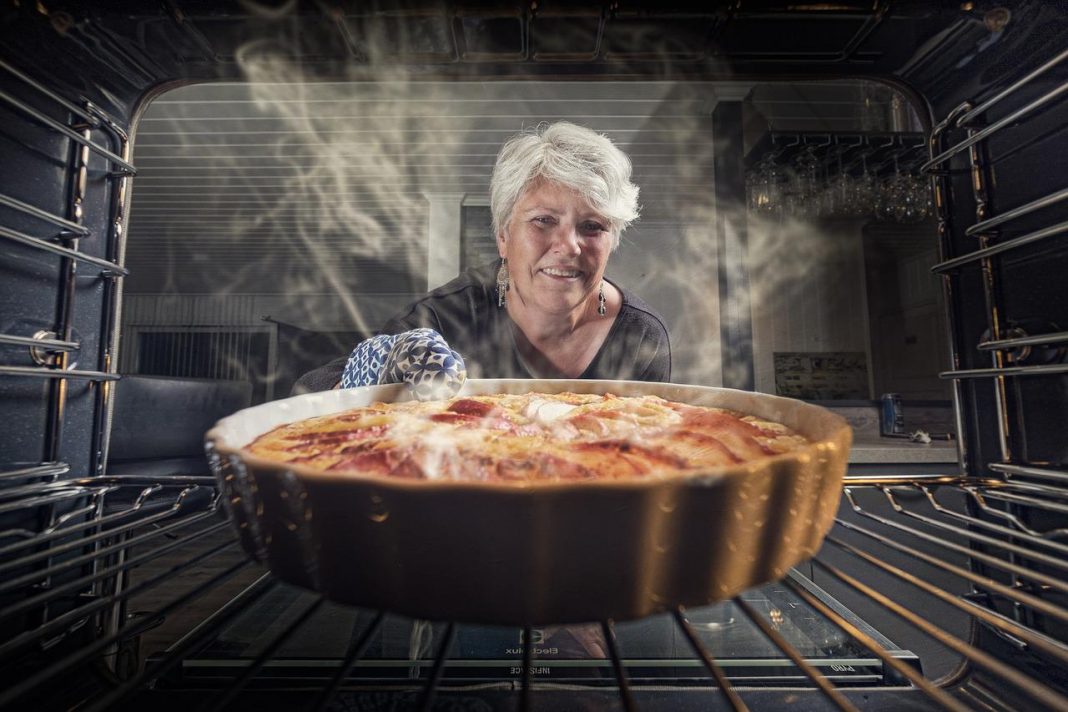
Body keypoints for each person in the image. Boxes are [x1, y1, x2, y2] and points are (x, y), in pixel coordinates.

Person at [295, 121, 671, 394]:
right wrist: (372, 374)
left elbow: (651, 463)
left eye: (592, 226)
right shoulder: (448, 317)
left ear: (612, 241)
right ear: (504, 236)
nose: (569, 245)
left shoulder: (641, 337)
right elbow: (308, 396)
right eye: (543, 220)